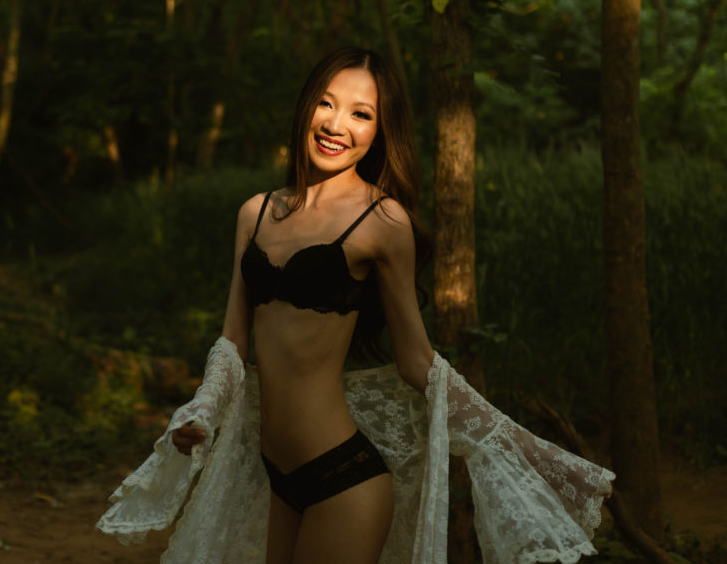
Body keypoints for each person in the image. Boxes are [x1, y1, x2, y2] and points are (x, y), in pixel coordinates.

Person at [96, 47, 613, 564]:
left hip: (343, 479)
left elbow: (418, 363)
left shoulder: (384, 221)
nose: (337, 125)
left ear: (380, 131)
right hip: (277, 478)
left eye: (361, 114)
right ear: (306, 108)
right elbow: (233, 340)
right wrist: (202, 414)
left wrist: (534, 452)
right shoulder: (255, 212)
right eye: (326, 104)